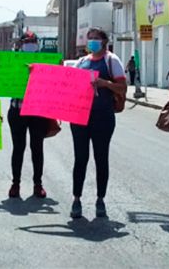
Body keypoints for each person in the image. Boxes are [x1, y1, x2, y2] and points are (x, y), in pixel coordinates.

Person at [69, 27, 127, 218]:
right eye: (90, 38)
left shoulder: (111, 60)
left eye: (96, 38)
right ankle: (76, 199)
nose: (92, 41)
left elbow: (122, 88)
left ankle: (100, 199)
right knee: (80, 158)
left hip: (102, 117)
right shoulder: (81, 62)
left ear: (104, 41)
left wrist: (105, 84)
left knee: (101, 158)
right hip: (80, 117)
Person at [7, 31, 53, 199]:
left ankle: (37, 184)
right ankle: (15, 183)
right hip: (17, 109)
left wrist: (59, 67)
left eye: (33, 41)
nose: (30, 43)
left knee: (37, 147)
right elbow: (3, 79)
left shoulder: (45, 60)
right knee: (18, 148)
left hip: (38, 110)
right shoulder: (11, 60)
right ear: (21, 43)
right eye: (27, 41)